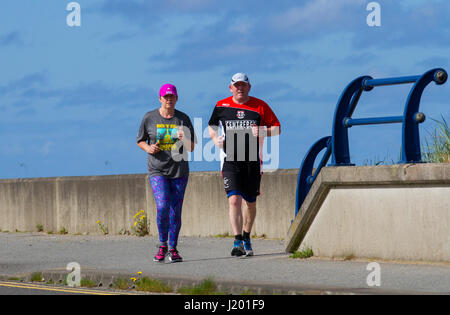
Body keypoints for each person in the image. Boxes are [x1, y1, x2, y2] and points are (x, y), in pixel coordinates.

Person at [208, 73, 281, 257]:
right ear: (230, 88)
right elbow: (212, 125)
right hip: (230, 160)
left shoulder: (260, 106)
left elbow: (277, 128)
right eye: (236, 85)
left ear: (249, 87)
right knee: (233, 199)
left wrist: (263, 130)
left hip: (252, 162)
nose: (240, 88)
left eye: (243, 85)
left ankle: (247, 236)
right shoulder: (221, 105)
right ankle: (237, 240)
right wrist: (215, 138)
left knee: (250, 202)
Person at [137, 83, 196, 263]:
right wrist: (149, 148)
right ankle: (162, 244)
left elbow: (192, 146)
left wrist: (184, 138)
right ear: (160, 99)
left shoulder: (183, 118)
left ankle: (173, 249)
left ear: (177, 98)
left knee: (175, 211)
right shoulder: (150, 117)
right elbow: (140, 140)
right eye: (166, 97)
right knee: (162, 205)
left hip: (179, 170)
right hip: (157, 169)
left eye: (172, 97)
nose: (169, 100)